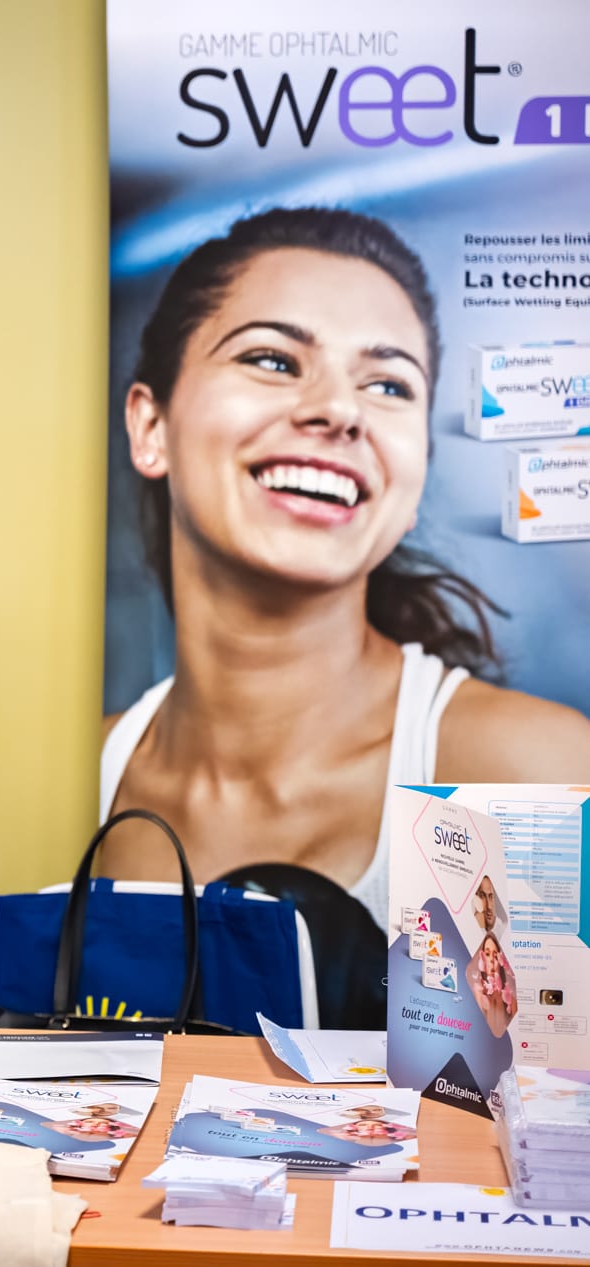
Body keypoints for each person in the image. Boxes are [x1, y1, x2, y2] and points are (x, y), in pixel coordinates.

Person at [99, 208, 590, 929]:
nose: (338, 409)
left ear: (414, 477)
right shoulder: (71, 784)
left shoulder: (523, 773)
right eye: (273, 360)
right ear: (151, 426)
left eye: (389, 386)